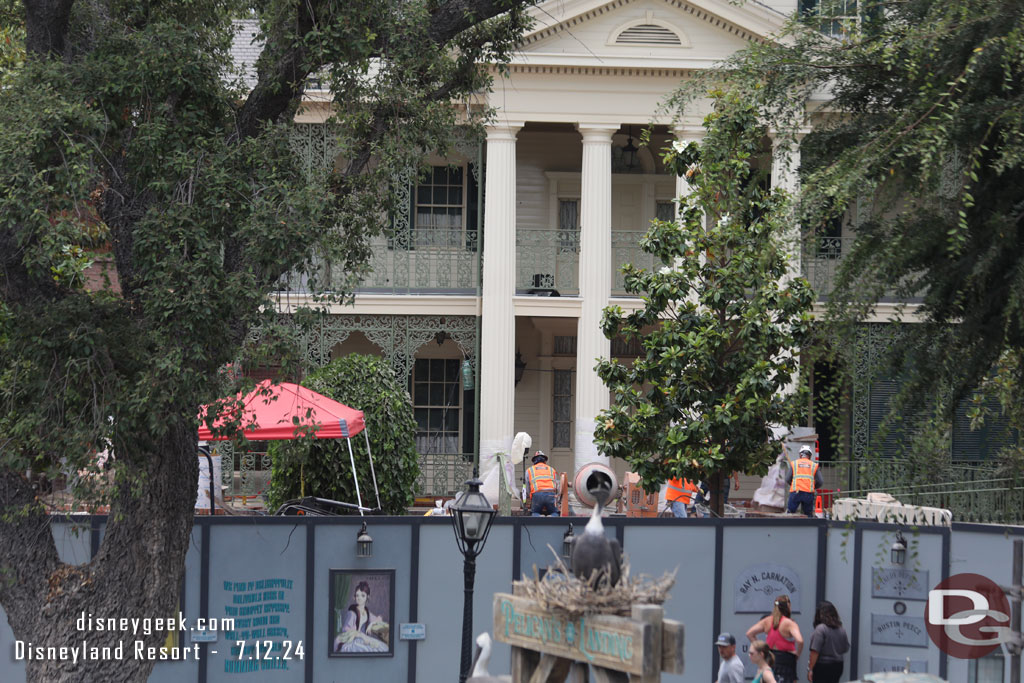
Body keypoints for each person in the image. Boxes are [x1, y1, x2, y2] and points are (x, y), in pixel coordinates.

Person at [746, 594, 803, 683]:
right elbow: (800, 640)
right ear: (788, 607)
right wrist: (797, 655)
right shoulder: (789, 623)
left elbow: (750, 633)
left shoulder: (767, 621)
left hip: (771, 657)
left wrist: (762, 648)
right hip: (787, 660)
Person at [334, 581, 388, 653]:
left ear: (367, 597)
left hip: (363, 639)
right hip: (352, 640)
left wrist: (371, 624)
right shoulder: (352, 613)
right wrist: (361, 635)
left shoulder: (367, 612)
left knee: (383, 647)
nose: (359, 598)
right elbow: (346, 630)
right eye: (357, 595)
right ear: (354, 597)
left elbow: (379, 619)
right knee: (367, 649)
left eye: (362, 595)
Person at [808, 601, 849, 683]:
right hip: (838, 666)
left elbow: (815, 651)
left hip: (822, 666)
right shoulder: (841, 629)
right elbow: (845, 648)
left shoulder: (821, 629)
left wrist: (810, 669)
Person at [785, 446, 822, 517]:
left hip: (795, 491)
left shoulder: (794, 463)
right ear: (810, 455)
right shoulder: (814, 465)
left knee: (790, 515)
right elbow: (820, 481)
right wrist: (813, 487)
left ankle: (789, 527)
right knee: (808, 516)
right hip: (808, 493)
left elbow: (787, 479)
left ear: (800, 455)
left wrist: (793, 484)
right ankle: (808, 527)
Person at [525, 451, 559, 516]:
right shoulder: (551, 469)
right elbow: (556, 485)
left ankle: (539, 517)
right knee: (554, 512)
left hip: (537, 494)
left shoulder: (529, 470)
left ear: (534, 461)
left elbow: (527, 486)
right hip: (551, 494)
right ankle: (552, 517)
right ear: (545, 461)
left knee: (535, 512)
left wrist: (530, 497)